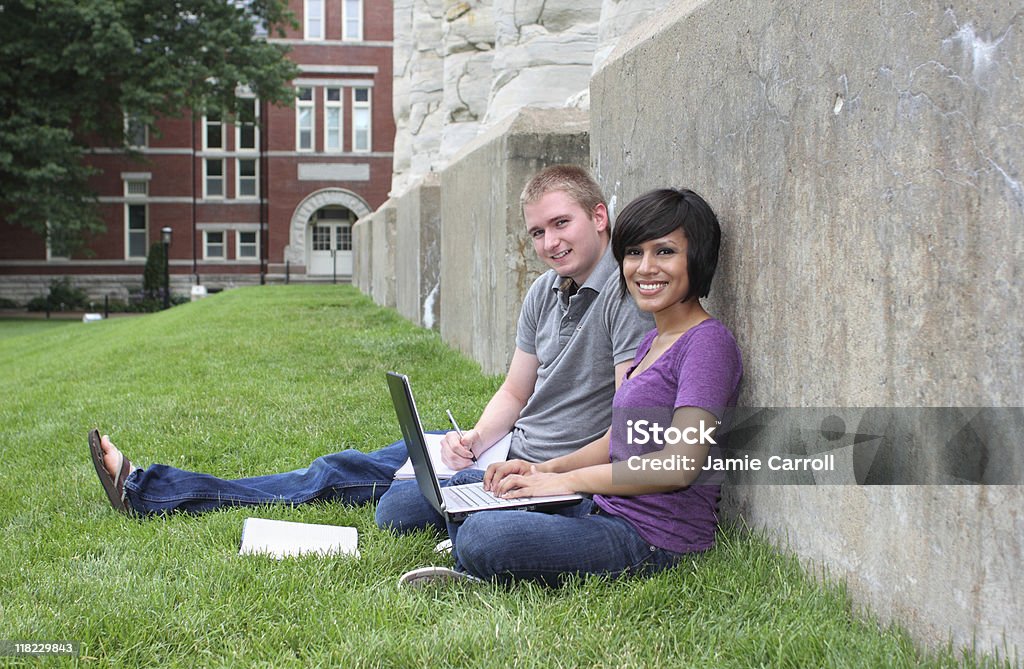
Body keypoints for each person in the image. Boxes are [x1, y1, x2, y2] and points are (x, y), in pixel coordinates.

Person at [89, 164, 654, 518]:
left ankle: (146, 490)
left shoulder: (626, 299)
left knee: (346, 482)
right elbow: (515, 389)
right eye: (537, 232)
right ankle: (149, 488)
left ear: (599, 217)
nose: (550, 243)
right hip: (502, 452)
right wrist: (476, 437)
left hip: (541, 472)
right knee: (337, 469)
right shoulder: (543, 294)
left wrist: (548, 473)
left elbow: (624, 428)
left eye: (561, 224)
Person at [398, 187, 742, 587]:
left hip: (652, 537)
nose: (645, 268)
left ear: (697, 256)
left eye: (664, 252)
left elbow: (680, 465)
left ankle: (479, 558)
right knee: (466, 485)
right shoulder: (653, 341)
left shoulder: (708, 344)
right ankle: (488, 550)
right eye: (634, 253)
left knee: (482, 535)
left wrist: (565, 481)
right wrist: (540, 469)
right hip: (602, 507)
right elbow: (620, 438)